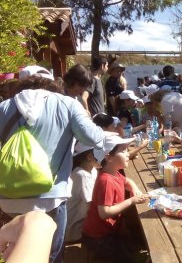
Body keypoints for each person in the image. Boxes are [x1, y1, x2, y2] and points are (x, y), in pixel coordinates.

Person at [0, 77, 104, 263]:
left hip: (8, 197)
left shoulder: (4, 107)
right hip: (51, 198)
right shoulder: (67, 103)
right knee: (53, 256)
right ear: (53, 86)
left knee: (20, 249)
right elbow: (94, 138)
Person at [82, 135, 150, 263]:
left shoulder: (114, 172)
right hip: (98, 237)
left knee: (134, 239)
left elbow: (127, 181)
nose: (127, 154)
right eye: (123, 151)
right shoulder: (106, 180)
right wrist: (131, 200)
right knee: (128, 258)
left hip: (110, 230)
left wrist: (134, 189)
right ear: (108, 157)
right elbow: (104, 213)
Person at [65, 142, 100, 243]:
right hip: (75, 230)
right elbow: (92, 205)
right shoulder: (81, 175)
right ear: (89, 157)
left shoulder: (92, 170)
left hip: (83, 222)